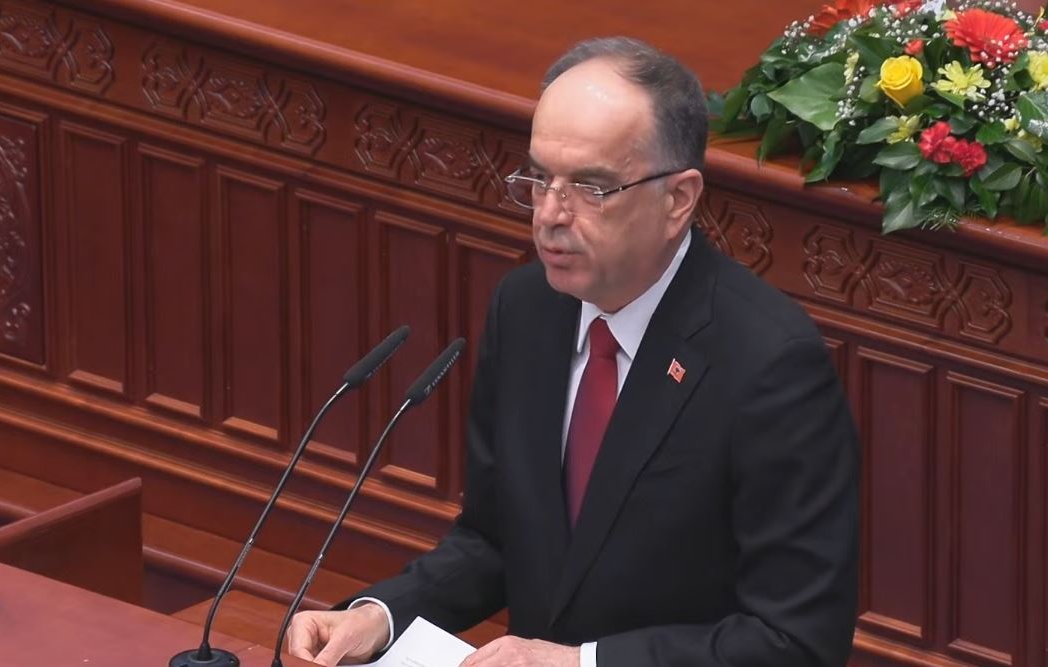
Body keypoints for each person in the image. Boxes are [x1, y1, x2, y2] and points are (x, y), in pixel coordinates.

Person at [287, 36, 859, 667]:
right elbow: (495, 539)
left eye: (591, 187)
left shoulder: (769, 365)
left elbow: (796, 641)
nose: (550, 216)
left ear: (678, 199)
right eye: (540, 178)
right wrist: (382, 615)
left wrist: (582, 663)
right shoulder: (527, 308)